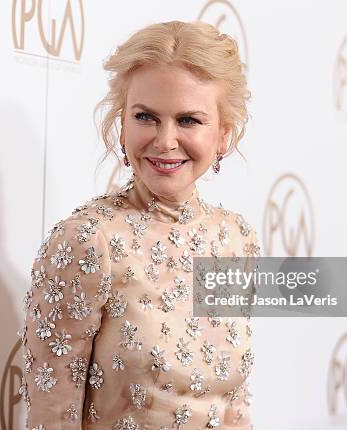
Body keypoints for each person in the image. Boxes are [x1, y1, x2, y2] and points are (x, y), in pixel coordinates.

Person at [19, 20, 260, 430]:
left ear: (223, 135)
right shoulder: (87, 241)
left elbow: (234, 406)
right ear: (121, 125)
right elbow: (53, 415)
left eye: (189, 120)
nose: (165, 141)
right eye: (146, 116)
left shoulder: (236, 239)